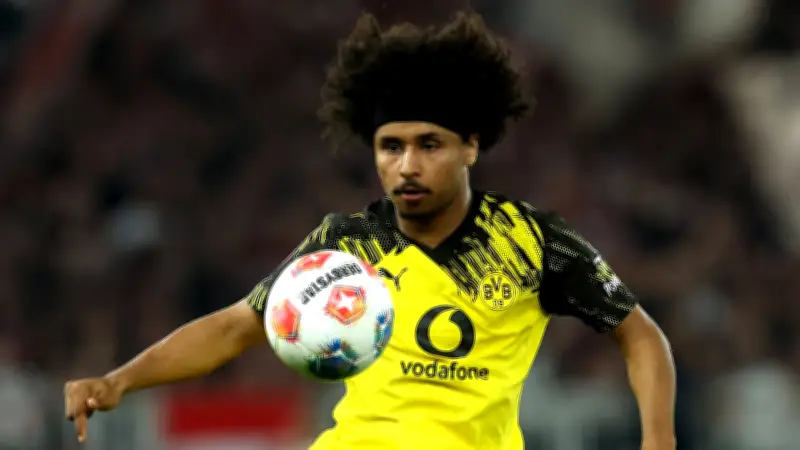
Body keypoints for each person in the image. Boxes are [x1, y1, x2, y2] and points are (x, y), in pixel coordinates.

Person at [64, 11, 676, 450]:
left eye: (429, 145)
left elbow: (641, 336)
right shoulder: (348, 243)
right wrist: (120, 379)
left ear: (471, 146)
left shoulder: (532, 241)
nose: (407, 165)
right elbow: (233, 327)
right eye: (391, 146)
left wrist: (658, 440)